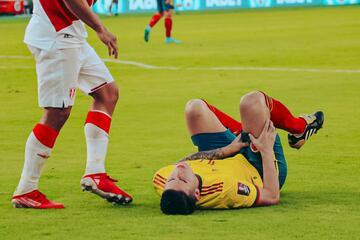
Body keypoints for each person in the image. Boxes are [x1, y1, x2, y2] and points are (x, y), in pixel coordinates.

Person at [11, 0, 132, 209]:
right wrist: (100, 28)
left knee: (107, 93)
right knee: (57, 112)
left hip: (71, 34)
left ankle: (95, 173)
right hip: (56, 37)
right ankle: (26, 189)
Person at [153, 91, 324, 214]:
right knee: (252, 102)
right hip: (259, 167)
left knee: (194, 108)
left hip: (228, 155)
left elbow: (181, 165)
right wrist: (265, 150)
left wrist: (227, 149)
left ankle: (248, 129)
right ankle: (300, 128)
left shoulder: (163, 181)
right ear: (197, 194)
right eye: (182, 179)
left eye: (173, 178)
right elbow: (271, 196)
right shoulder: (226, 191)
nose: (179, 171)